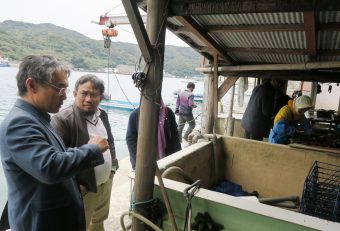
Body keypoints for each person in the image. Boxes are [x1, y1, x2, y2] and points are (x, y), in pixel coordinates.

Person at [0, 55, 109, 231]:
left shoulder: (39, 119)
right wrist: (93, 149)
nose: (65, 96)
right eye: (59, 88)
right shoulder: (19, 123)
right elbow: (50, 166)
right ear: (32, 85)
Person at [51, 74, 118, 231]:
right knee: (80, 223)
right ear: (75, 94)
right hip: (84, 188)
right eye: (84, 93)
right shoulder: (63, 119)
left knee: (99, 219)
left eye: (94, 95)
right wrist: (74, 183)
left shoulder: (102, 114)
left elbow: (111, 141)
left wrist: (113, 168)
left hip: (105, 181)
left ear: (100, 97)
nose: (88, 99)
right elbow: (57, 158)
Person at [126, 99, 181, 170]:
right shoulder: (135, 115)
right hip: (145, 162)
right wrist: (136, 163)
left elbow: (175, 136)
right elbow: (131, 140)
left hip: (167, 159)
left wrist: (178, 156)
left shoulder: (168, 112)